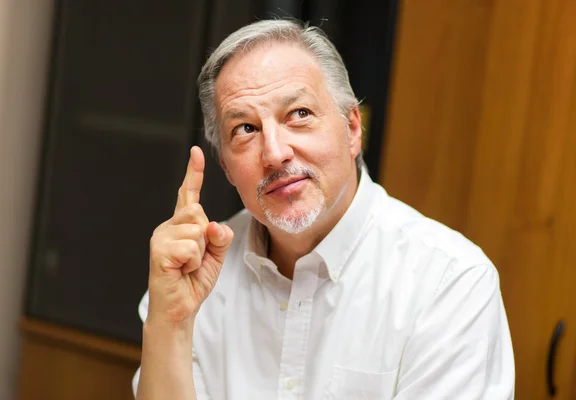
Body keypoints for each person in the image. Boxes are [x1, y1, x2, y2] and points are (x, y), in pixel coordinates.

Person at [132, 19, 515, 400]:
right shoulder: (194, 277)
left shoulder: (450, 282)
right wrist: (172, 322)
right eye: (245, 129)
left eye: (298, 114)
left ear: (351, 129)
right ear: (227, 169)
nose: (275, 153)